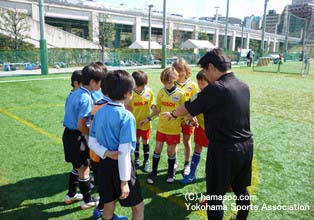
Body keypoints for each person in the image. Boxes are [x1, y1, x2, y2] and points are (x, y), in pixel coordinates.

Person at [163, 48, 254, 220]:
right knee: (241, 188)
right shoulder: (243, 86)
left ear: (211, 67)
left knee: (215, 196)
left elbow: (189, 105)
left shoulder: (216, 88)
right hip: (246, 146)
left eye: (205, 70)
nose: (205, 74)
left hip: (223, 149)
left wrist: (173, 114)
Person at [89, 70, 144, 220]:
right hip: (122, 168)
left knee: (108, 205)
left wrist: (105, 152)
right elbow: (124, 153)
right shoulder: (127, 116)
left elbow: (91, 141)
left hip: (104, 165)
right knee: (138, 207)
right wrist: (124, 182)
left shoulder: (99, 111)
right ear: (128, 93)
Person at [62, 63, 105, 210]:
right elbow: (81, 125)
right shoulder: (86, 97)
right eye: (100, 82)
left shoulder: (74, 93)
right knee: (84, 167)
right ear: (92, 82)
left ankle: (71, 194)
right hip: (78, 137)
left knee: (77, 165)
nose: (101, 85)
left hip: (68, 135)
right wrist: (92, 136)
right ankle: (87, 200)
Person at [146, 67, 186, 184]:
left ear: (175, 80)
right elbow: (157, 109)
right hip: (161, 128)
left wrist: (189, 120)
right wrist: (148, 118)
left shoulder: (181, 93)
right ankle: (153, 173)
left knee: (170, 152)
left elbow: (184, 110)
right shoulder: (161, 92)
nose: (167, 85)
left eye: (169, 82)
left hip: (173, 130)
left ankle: (170, 172)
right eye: (164, 83)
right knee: (157, 149)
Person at [180, 70, 210, 185]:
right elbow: (188, 113)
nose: (200, 86)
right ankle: (192, 174)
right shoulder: (196, 96)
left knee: (216, 154)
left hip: (213, 130)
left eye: (203, 83)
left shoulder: (216, 96)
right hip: (200, 128)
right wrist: (191, 120)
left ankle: (225, 178)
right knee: (198, 148)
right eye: (199, 83)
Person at [172, 58, 198, 176]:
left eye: (182, 70)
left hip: (188, 118)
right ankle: (174, 162)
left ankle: (187, 164)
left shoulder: (192, 85)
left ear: (187, 70)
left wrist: (192, 115)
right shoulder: (172, 85)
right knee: (175, 142)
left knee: (187, 141)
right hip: (176, 118)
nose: (180, 73)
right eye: (177, 71)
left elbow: (196, 101)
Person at [128, 70, 155, 172]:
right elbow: (126, 107)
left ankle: (146, 162)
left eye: (143, 85)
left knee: (145, 142)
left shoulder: (149, 91)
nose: (142, 87)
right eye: (139, 86)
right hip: (133, 124)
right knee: (136, 142)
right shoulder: (130, 94)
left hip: (145, 124)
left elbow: (152, 105)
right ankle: (136, 160)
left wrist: (150, 116)